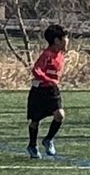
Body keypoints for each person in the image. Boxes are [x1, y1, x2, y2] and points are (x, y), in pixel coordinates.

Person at [27, 24, 69, 159]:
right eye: (65, 38)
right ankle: (32, 145)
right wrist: (48, 79)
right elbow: (36, 70)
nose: (67, 41)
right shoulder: (47, 55)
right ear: (57, 40)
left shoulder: (61, 54)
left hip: (52, 91)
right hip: (39, 91)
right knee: (35, 121)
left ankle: (48, 139)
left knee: (60, 115)